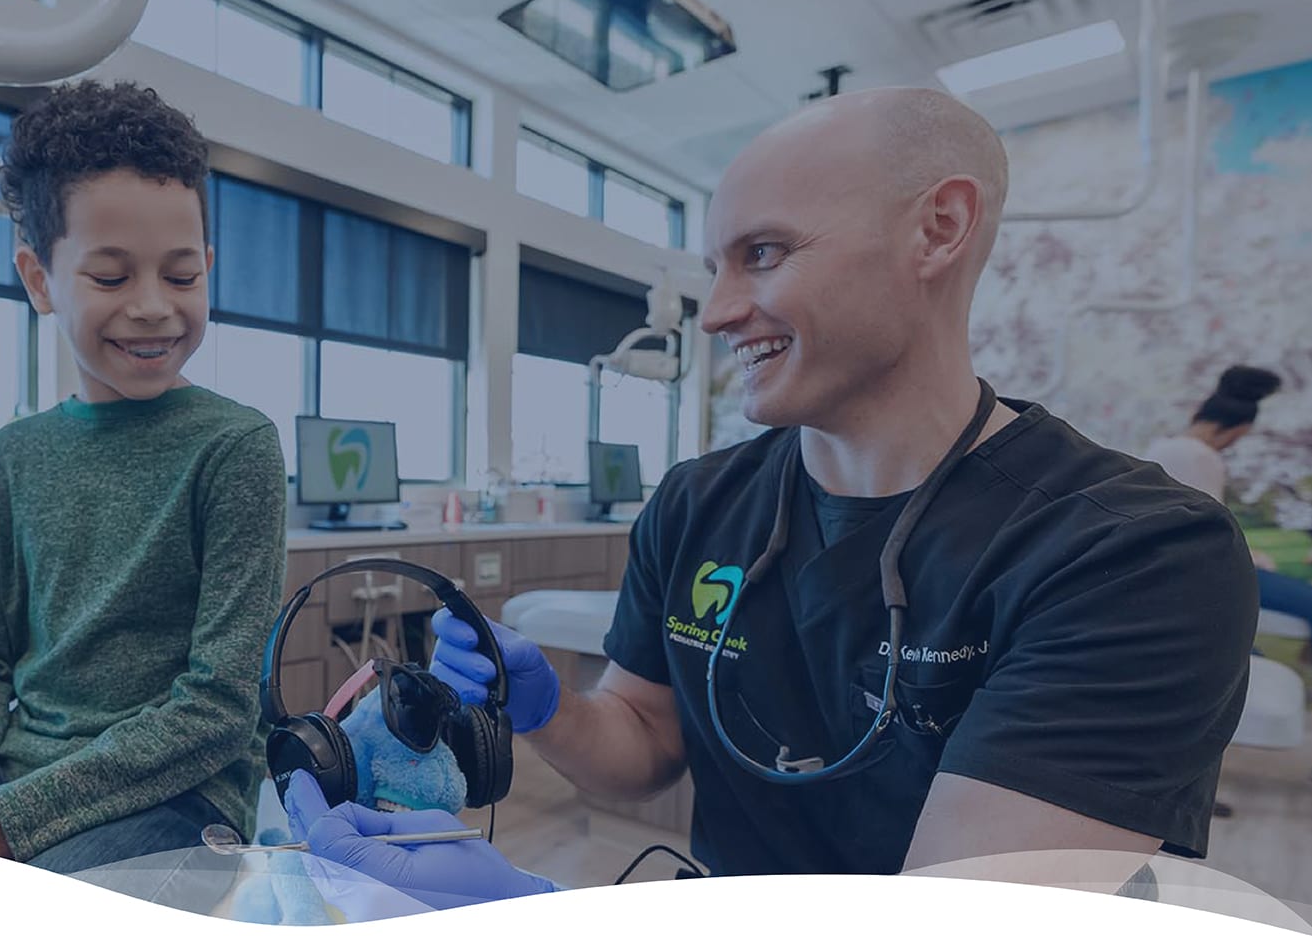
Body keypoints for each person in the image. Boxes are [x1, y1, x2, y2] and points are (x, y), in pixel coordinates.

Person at [281, 86, 1258, 907]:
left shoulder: (1132, 554)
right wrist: (547, 711)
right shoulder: (696, 503)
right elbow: (644, 744)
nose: (715, 313)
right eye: (716, 266)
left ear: (937, 229)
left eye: (764, 253)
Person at [0, 80, 290, 873]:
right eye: (110, 277)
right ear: (39, 278)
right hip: (9, 775)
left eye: (180, 277)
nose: (152, 307)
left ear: (207, 265)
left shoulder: (236, 447)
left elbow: (217, 708)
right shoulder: (11, 457)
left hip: (177, 796)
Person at [1143, 365, 1312, 633]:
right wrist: (1253, 558)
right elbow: (1215, 532)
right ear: (1238, 430)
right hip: (1210, 570)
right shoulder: (1201, 456)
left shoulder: (1160, 447)